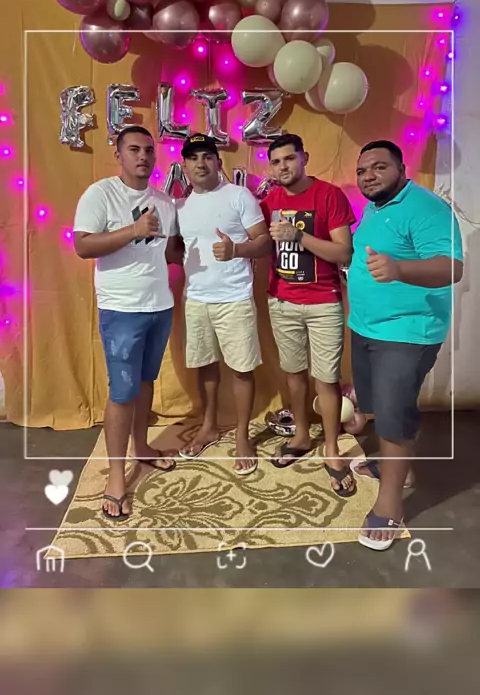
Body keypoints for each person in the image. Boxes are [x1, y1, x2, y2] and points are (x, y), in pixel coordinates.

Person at [348, 140, 463, 550]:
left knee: (394, 413)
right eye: (362, 171)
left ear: (402, 169)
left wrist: (399, 269)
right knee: (382, 407)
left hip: (407, 332)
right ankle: (400, 470)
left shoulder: (427, 208)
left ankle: (390, 504)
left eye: (379, 167)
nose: (369, 176)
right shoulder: (375, 208)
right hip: (366, 327)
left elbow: (452, 267)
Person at [73, 126, 184, 521]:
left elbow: (168, 252)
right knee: (122, 393)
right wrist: (133, 230)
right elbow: (83, 245)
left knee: (146, 382)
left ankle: (142, 447)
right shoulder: (101, 194)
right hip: (121, 310)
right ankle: (117, 477)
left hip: (160, 306)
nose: (143, 156)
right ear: (118, 154)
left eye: (149, 150)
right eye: (134, 149)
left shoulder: (165, 202)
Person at [261, 133, 357, 496]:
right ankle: (301, 436)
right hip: (282, 302)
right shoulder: (270, 201)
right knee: (294, 375)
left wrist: (298, 236)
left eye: (289, 158)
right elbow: (257, 241)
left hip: (323, 304)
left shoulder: (329, 195)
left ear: (304, 158)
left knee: (326, 380)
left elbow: (344, 253)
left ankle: (332, 450)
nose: (283, 167)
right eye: (276, 162)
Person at [176, 133, 271, 474]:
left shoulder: (239, 196)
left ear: (218, 162)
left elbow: (264, 241)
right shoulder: (180, 206)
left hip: (234, 298)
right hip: (196, 299)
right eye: (193, 158)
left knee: (242, 369)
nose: (200, 163)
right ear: (184, 165)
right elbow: (177, 249)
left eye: (206, 156)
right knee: (205, 366)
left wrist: (237, 250)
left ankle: (243, 436)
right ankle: (209, 426)